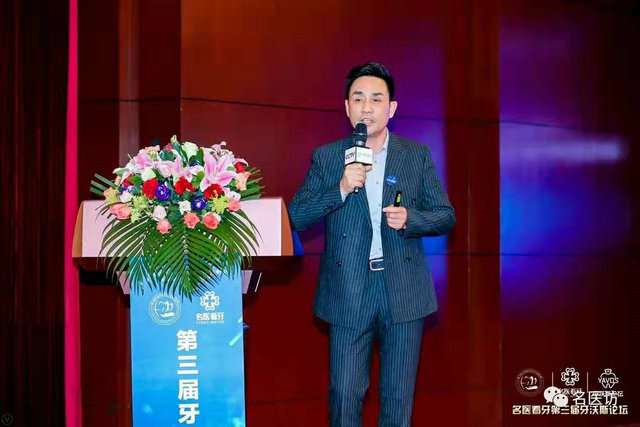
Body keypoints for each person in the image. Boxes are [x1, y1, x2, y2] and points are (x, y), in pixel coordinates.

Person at [288, 62, 455, 426]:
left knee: (397, 399)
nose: (367, 107)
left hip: (404, 289)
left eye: (376, 99)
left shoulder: (415, 155)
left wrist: (411, 218)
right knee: (345, 395)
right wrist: (340, 187)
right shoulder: (328, 157)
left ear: (391, 108)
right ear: (346, 107)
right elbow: (296, 216)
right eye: (358, 98)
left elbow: (445, 215)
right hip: (348, 288)